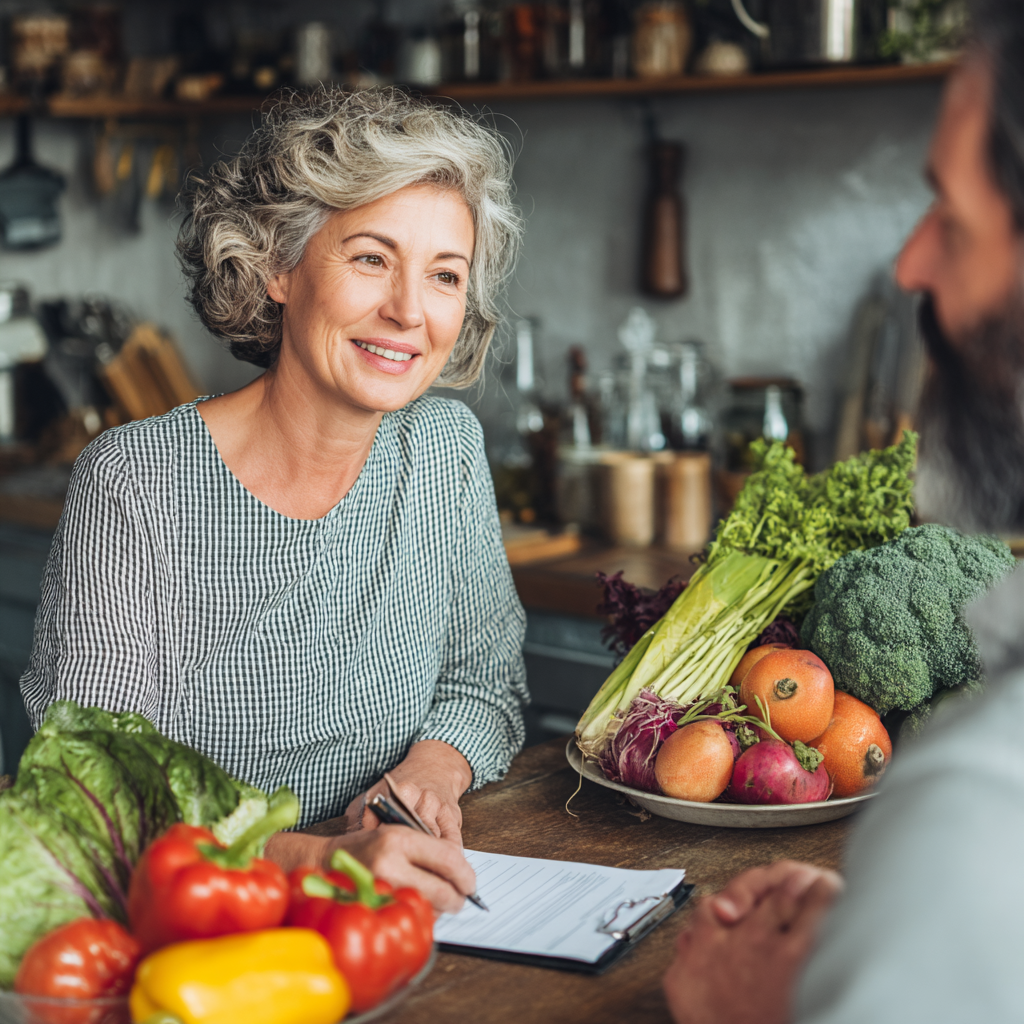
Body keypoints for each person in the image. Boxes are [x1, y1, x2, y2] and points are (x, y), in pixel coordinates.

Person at [20, 88, 529, 913]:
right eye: (371, 258)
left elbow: (485, 679)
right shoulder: (137, 482)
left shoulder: (446, 453)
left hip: (385, 912)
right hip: (193, 925)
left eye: (444, 276)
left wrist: (426, 775)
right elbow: (97, 791)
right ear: (277, 266)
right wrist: (318, 856)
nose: (408, 311)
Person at [664, 2, 1024, 1020]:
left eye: (950, 216)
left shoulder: (981, 803)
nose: (910, 262)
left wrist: (753, 1007)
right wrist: (896, 934)